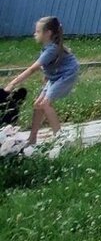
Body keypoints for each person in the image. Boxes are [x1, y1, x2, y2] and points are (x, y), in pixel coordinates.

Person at [2, 16, 81, 150]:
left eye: (38, 31)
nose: (35, 34)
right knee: (38, 105)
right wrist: (46, 78)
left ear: (48, 33)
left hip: (66, 75)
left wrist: (13, 83)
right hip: (56, 76)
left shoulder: (51, 49)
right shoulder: (47, 48)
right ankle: (32, 139)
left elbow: (33, 68)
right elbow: (50, 65)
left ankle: (60, 138)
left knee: (45, 104)